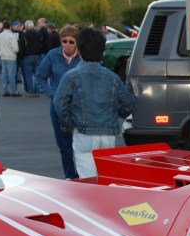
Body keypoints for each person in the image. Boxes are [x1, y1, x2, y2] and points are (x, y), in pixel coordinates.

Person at [53, 27, 134, 179]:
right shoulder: (113, 78)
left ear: (80, 51)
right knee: (106, 179)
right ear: (102, 51)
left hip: (83, 132)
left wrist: (69, 123)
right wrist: (117, 113)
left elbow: (59, 104)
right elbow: (129, 104)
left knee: (88, 181)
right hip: (108, 134)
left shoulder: (71, 76)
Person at [34, 25, 80, 178]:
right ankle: (70, 175)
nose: (67, 45)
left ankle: (84, 175)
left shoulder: (83, 57)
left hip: (79, 106)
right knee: (64, 145)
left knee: (82, 143)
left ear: (77, 43)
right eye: (64, 41)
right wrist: (52, 93)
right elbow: (40, 76)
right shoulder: (53, 55)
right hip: (58, 106)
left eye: (71, 42)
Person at [19, 20, 44, 96]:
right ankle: (37, 90)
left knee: (28, 75)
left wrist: (21, 56)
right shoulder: (38, 34)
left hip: (27, 56)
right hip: (37, 56)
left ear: (26, 27)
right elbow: (42, 44)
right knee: (37, 74)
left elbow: (22, 46)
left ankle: (31, 91)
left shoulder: (24, 35)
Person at [0, 18, 19, 96]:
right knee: (11, 75)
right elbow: (16, 48)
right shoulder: (11, 35)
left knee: (4, 75)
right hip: (11, 57)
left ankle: (5, 90)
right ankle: (13, 91)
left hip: (3, 56)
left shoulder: (0, 35)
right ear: (10, 27)